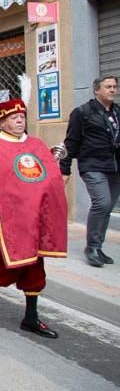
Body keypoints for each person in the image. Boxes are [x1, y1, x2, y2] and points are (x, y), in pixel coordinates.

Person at [0, 99, 68, 338]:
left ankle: (31, 317)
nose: (19, 121)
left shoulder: (37, 145)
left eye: (22, 117)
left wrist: (53, 181)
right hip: (8, 217)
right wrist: (11, 194)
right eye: (13, 118)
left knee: (35, 265)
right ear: (1, 122)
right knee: (6, 264)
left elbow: (46, 176)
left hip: (35, 215)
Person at [60, 75, 120, 267]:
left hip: (115, 167)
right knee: (102, 203)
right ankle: (92, 247)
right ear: (96, 90)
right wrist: (65, 169)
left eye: (114, 87)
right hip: (92, 165)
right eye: (108, 87)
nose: (112, 90)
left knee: (108, 207)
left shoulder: (118, 113)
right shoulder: (82, 112)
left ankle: (98, 248)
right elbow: (71, 141)